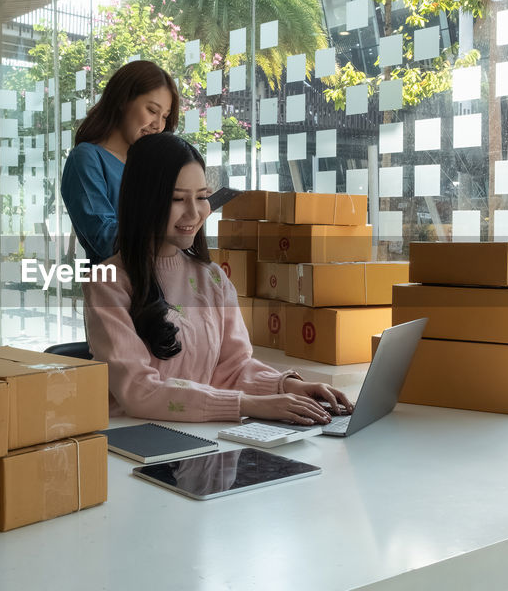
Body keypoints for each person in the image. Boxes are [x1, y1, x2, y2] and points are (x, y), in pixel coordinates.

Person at [83, 133, 355, 424]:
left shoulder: (212, 278)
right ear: (143, 201)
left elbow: (232, 367)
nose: (194, 211)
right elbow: (138, 391)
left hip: (202, 434)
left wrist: (290, 386)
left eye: (201, 197)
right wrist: (250, 404)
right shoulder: (108, 283)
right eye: (177, 199)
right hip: (133, 441)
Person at [61, 60, 180, 264]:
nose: (158, 125)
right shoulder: (86, 159)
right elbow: (104, 239)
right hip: (116, 289)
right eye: (152, 111)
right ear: (123, 100)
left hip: (164, 280)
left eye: (165, 117)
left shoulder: (149, 164)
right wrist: (165, 223)